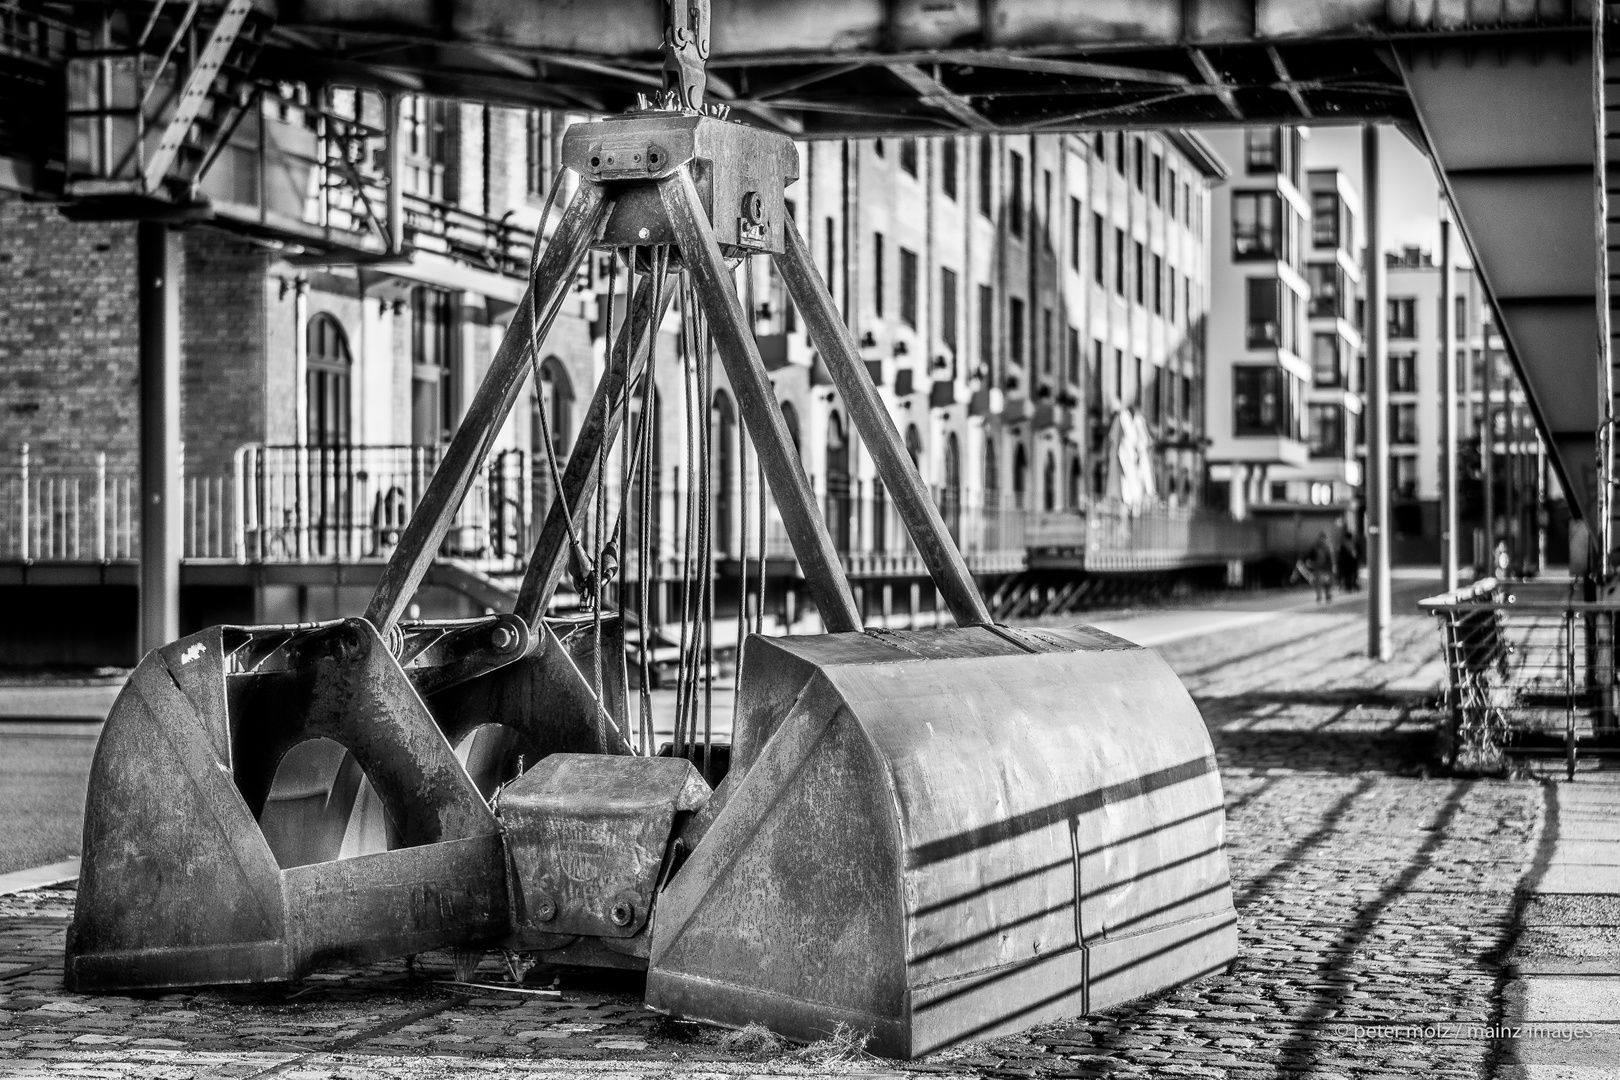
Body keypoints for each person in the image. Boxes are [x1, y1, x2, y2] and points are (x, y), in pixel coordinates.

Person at [1306, 531, 1335, 603]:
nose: (1323, 540)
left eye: (1324, 538)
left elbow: (1329, 558)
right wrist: (1310, 564)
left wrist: (1331, 567)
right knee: (1318, 583)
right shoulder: (1315, 547)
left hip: (1325, 568)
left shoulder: (1327, 547)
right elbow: (1311, 556)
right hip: (1317, 568)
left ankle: (1327, 595)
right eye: (1322, 538)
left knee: (1327, 583)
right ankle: (1319, 597)